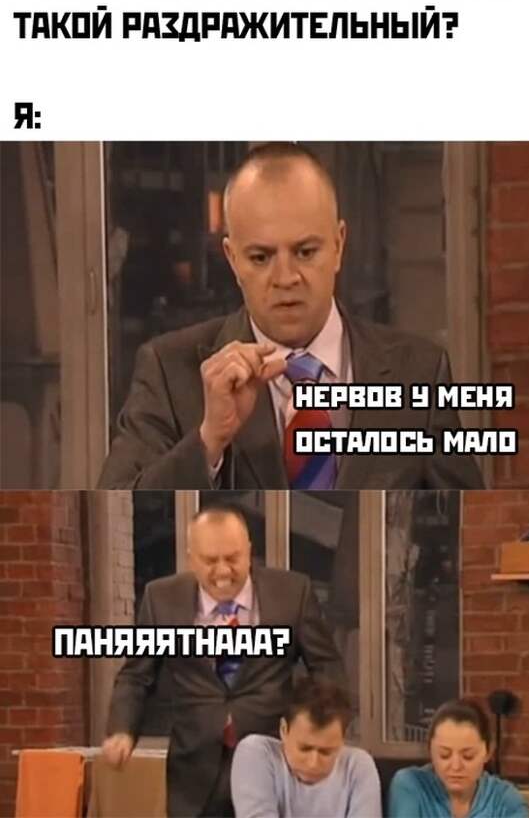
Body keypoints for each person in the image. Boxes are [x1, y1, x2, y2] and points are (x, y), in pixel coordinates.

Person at [98, 142, 483, 491]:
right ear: (232, 259)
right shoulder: (169, 371)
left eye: (305, 252)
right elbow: (121, 506)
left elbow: (460, 518)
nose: (285, 278)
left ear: (339, 245)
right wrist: (209, 440)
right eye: (260, 257)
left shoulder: (419, 372)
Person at [102, 505, 344, 818]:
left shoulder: (292, 593)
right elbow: (136, 675)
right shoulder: (161, 599)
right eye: (210, 560)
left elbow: (326, 666)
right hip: (194, 775)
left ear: (249, 551)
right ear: (191, 558)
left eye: (232, 558)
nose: (223, 571)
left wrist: (324, 728)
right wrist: (122, 729)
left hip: (273, 766)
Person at [231, 676, 381, 818]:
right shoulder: (256, 753)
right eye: (304, 749)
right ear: (284, 730)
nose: (313, 763)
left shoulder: (358, 766)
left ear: (343, 739)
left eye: (326, 752)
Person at [388, 699, 528, 818]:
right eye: (444, 755)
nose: (455, 766)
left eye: (468, 756)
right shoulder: (410, 785)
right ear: (430, 750)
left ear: (488, 752)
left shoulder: (505, 800)